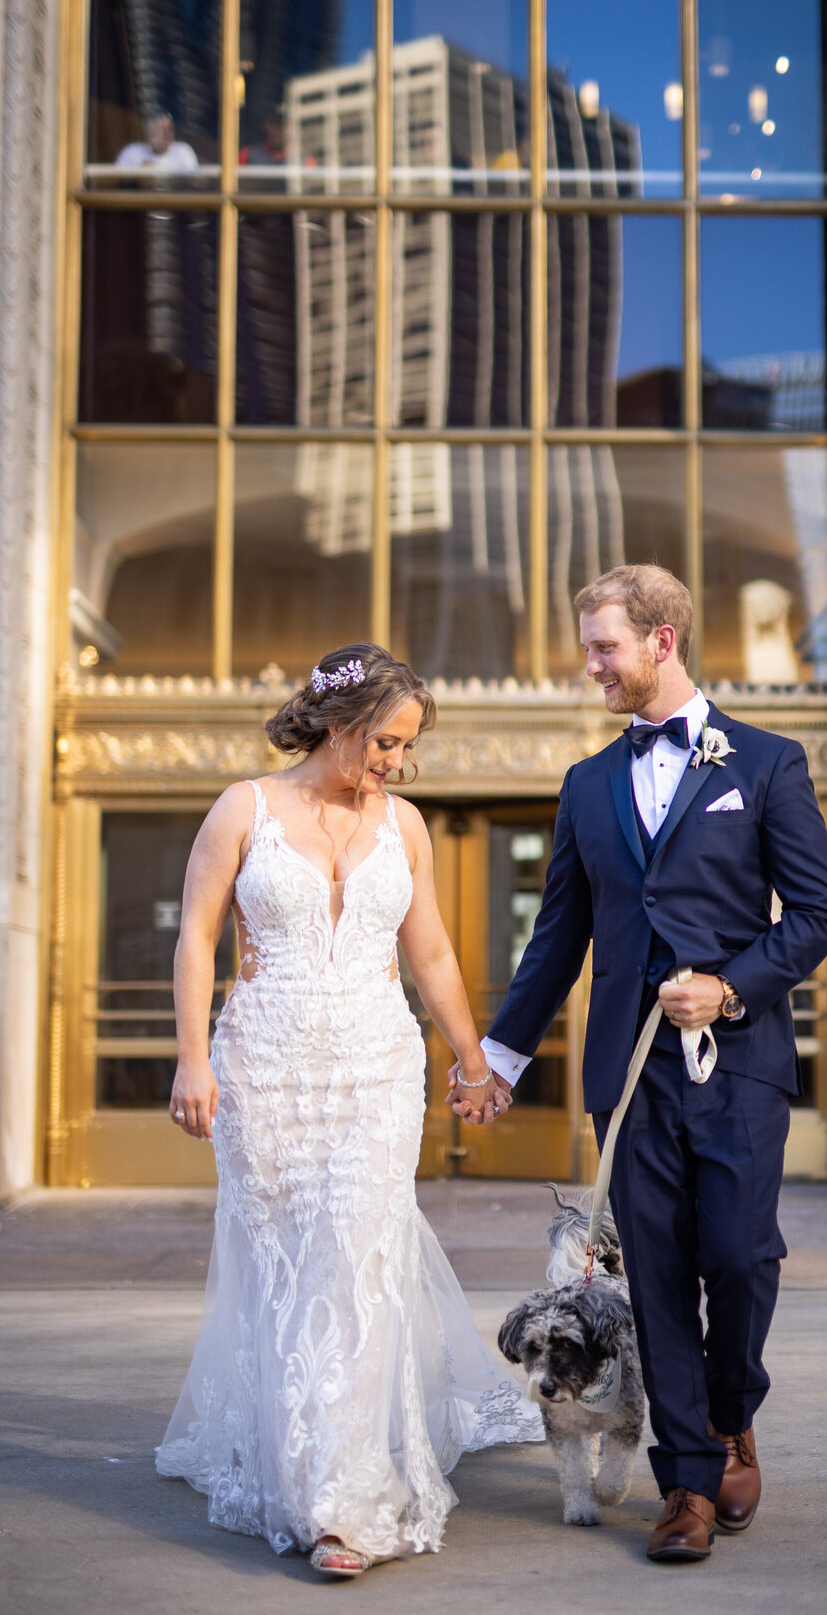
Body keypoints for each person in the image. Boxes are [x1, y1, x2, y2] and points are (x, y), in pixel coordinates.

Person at [463, 564, 827, 1563]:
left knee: (741, 1256)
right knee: (663, 1277)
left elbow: (818, 914)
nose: (589, 666)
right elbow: (555, 938)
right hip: (627, 1082)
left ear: (661, 642)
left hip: (740, 1063)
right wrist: (503, 1055)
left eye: (603, 648)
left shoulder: (766, 764)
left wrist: (729, 985)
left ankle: (728, 1417)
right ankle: (687, 1485)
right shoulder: (587, 786)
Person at [157, 644, 540, 1579]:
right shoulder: (243, 808)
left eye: (407, 749)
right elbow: (198, 937)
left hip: (376, 1064)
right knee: (289, 1273)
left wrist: (472, 1058)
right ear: (342, 722)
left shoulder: (404, 825)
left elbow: (435, 954)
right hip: (267, 1067)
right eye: (387, 743)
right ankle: (298, 1463)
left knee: (357, 1266)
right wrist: (193, 1061)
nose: (396, 764)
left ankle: (344, 1502)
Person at [115, 110, 200, 174]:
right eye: (161, 131)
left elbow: (194, 182)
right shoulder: (131, 152)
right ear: (150, 133)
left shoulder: (183, 151)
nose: (168, 135)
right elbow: (116, 179)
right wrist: (140, 174)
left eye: (170, 129)